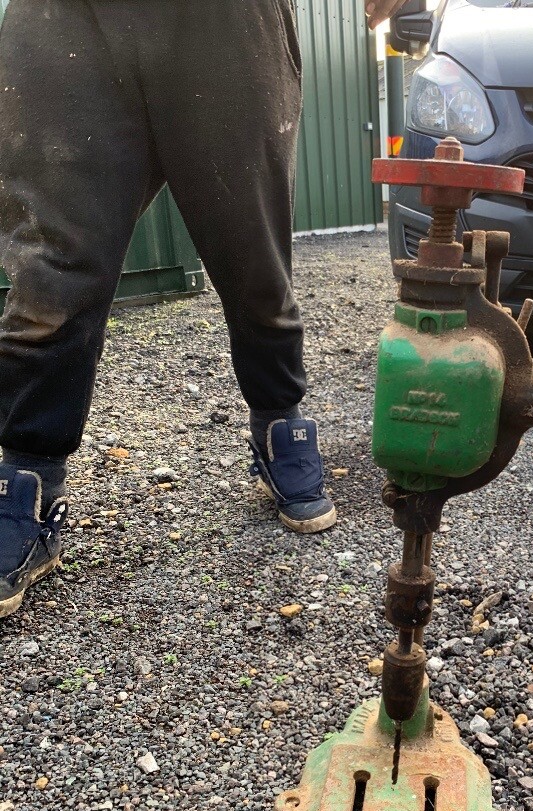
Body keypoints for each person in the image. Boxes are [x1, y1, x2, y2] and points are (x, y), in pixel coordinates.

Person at [0, 0, 405, 619]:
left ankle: (278, 423)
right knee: (54, 268)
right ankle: (29, 476)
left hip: (226, 18)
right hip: (66, 18)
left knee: (254, 255)